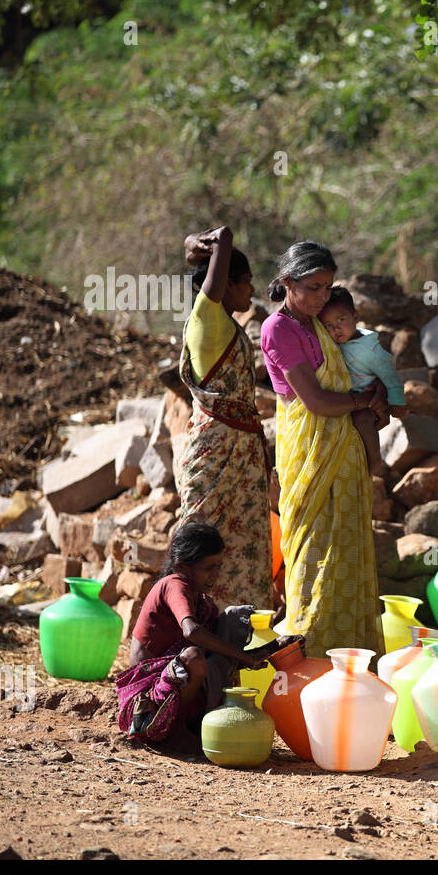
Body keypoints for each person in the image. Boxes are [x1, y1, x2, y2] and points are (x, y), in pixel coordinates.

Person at [260, 241, 387, 657]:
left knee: (347, 560)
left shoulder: (325, 322)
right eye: (313, 287)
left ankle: (352, 670)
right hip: (310, 456)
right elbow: (315, 401)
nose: (321, 297)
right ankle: (309, 666)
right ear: (287, 283)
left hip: (345, 454)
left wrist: (376, 393)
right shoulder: (278, 329)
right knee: (316, 566)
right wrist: (362, 402)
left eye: (328, 287)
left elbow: (357, 369)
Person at [114, 521, 295, 744]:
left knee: (231, 619)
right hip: (151, 698)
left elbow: (220, 650)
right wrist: (246, 657)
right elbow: (192, 632)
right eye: (209, 568)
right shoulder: (174, 583)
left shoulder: (200, 600)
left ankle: (195, 723)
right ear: (182, 566)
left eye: (219, 567)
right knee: (193, 657)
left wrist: (273, 647)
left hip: (181, 691)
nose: (216, 575)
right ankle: (176, 731)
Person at [175, 226, 276, 612]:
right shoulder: (208, 319)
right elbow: (225, 241)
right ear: (226, 283)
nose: (251, 292)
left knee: (241, 552)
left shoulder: (226, 325)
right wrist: (217, 240)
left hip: (239, 456)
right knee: (200, 544)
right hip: (218, 450)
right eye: (246, 282)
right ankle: (183, 637)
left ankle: (233, 646)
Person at [316, 286, 408, 473]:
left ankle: (375, 460)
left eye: (341, 320)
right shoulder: (335, 343)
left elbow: (390, 376)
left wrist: (397, 402)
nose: (336, 328)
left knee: (362, 420)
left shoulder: (369, 349)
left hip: (365, 400)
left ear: (355, 317)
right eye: (328, 325)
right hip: (345, 400)